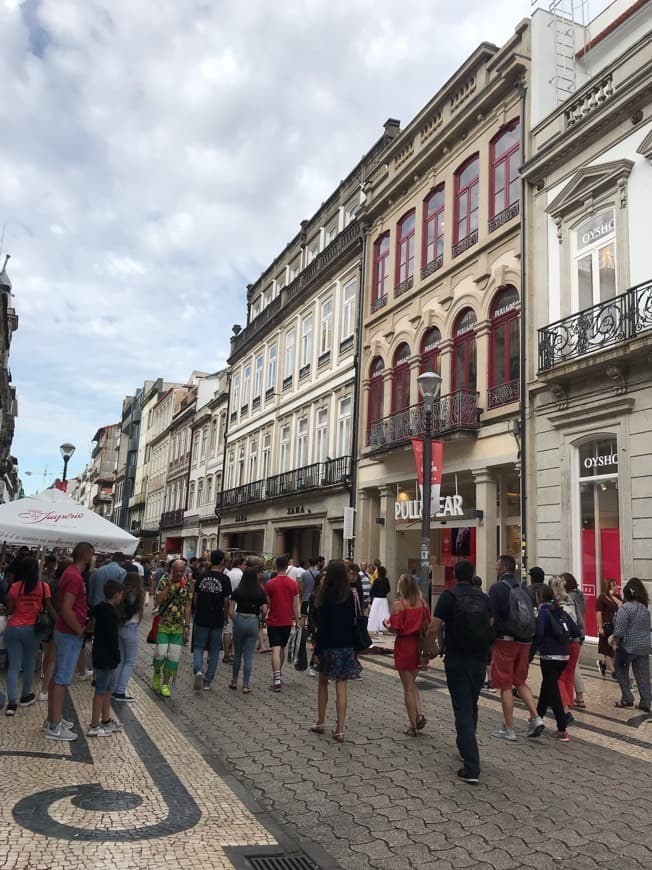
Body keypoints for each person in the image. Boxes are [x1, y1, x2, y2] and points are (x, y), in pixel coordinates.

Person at [427, 559, 493, 783]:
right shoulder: (484, 598)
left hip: (457, 659)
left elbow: (434, 626)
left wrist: (428, 648)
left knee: (462, 708)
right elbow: (491, 625)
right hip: (480, 660)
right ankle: (466, 746)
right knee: (471, 703)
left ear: (454, 574)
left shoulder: (449, 596)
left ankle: (471, 766)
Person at [488, 555, 544, 741]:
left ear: (503, 567)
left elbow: (492, 617)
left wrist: (488, 639)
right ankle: (535, 717)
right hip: (525, 641)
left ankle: (509, 728)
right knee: (519, 681)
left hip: (505, 641)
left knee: (505, 684)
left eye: (497, 565)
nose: (496, 568)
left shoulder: (497, 588)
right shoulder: (526, 589)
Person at [46, 542, 95, 741]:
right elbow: (66, 608)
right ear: (87, 556)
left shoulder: (69, 574)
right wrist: (79, 629)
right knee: (62, 679)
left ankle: (53, 717)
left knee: (58, 676)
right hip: (69, 633)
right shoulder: (74, 577)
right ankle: (53, 726)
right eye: (93, 556)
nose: (94, 560)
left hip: (63, 631)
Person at [310, 560, 361, 742]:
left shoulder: (325, 595)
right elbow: (355, 621)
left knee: (323, 683)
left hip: (328, 646)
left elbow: (322, 627)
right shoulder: (350, 595)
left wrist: (317, 650)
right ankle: (340, 729)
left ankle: (321, 722)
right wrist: (355, 648)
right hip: (346, 645)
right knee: (342, 685)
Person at [5, 557, 56, 716]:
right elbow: (49, 608)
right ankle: (25, 696)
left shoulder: (14, 587)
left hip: (13, 628)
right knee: (28, 664)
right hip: (32, 630)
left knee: (13, 667)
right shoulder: (43, 587)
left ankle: (11, 704)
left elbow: (10, 610)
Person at [384, 573, 431, 736]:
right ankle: (419, 714)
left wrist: (386, 624)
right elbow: (428, 623)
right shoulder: (422, 604)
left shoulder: (399, 605)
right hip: (419, 646)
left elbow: (395, 628)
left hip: (404, 645)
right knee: (413, 683)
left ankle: (413, 725)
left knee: (408, 688)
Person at [534, 585, 579, 741]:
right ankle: (537, 717)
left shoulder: (543, 612)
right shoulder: (562, 611)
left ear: (539, 597)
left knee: (553, 691)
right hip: (563, 656)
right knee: (547, 687)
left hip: (548, 656)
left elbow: (539, 632)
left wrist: (538, 647)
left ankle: (562, 726)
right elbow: (576, 631)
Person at [192, 549, 232, 691]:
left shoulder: (202, 576)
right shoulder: (224, 579)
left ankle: (198, 670)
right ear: (222, 561)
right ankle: (207, 681)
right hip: (217, 618)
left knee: (198, 646)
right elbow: (226, 601)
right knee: (214, 650)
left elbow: (195, 597)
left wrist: (197, 610)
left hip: (201, 616)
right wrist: (226, 615)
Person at [152, 559, 193, 698]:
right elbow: (157, 601)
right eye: (176, 571)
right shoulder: (164, 581)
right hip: (163, 624)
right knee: (160, 653)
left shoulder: (187, 584)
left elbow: (188, 606)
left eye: (182, 571)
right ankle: (157, 672)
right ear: (171, 569)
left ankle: (165, 683)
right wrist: (168, 587)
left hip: (178, 626)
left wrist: (187, 625)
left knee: (173, 657)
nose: (179, 573)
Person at [89, 579, 124, 736]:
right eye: (121, 595)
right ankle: (94, 725)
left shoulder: (99, 609)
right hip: (106, 657)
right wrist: (117, 655)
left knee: (108, 688)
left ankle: (106, 719)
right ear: (116, 595)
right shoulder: (112, 614)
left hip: (99, 653)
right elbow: (113, 638)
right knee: (101, 690)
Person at [611, 577, 651, 712]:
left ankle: (627, 698)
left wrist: (614, 640)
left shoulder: (625, 609)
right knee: (643, 675)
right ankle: (646, 701)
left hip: (627, 647)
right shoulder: (644, 609)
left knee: (620, 670)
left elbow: (619, 630)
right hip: (644, 646)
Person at [230, 567, 268, 692]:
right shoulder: (260, 591)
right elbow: (264, 609)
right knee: (248, 656)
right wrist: (261, 618)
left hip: (240, 619)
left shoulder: (238, 591)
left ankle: (234, 681)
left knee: (237, 655)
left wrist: (236, 620)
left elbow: (230, 611)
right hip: (253, 621)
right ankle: (246, 685)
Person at [265, 555, 300, 692]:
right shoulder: (293, 584)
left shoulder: (270, 584)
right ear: (287, 567)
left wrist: (264, 615)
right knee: (282, 649)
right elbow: (296, 604)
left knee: (275, 649)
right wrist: (297, 620)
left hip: (274, 620)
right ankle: (279, 675)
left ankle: (276, 679)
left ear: (275, 566)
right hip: (287, 621)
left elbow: (267, 603)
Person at [550, 575, 582, 725]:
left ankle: (565, 709)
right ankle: (569, 704)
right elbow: (580, 623)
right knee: (569, 675)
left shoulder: (554, 604)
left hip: (563, 643)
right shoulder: (572, 601)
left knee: (559, 677)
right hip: (576, 642)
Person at [112, 571, 145, 702]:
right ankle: (120, 691)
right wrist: (127, 618)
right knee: (130, 661)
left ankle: (114, 689)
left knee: (121, 659)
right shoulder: (135, 593)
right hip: (129, 627)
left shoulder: (121, 592)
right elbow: (131, 610)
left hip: (119, 627)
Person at [562, 572, 586, 708]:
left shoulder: (569, 598)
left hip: (572, 633)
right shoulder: (580, 596)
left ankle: (577, 696)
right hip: (579, 632)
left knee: (572, 667)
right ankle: (575, 696)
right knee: (574, 665)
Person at [38, 555, 59, 702]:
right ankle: (44, 691)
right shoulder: (53, 583)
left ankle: (44, 675)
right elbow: (50, 605)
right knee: (52, 658)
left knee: (46, 653)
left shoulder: (42, 579)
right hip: (52, 622)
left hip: (43, 621)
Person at [596, 578, 622, 677]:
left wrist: (612, 595)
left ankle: (602, 664)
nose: (616, 587)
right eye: (613, 585)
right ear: (608, 587)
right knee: (606, 649)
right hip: (606, 626)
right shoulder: (601, 598)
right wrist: (600, 627)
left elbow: (620, 605)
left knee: (614, 649)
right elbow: (598, 613)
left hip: (616, 626)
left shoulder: (617, 597)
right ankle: (614, 672)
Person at [367, 566, 390, 634]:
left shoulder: (376, 580)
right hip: (384, 598)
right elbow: (388, 589)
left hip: (377, 599)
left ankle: (373, 627)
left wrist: (371, 597)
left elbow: (373, 590)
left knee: (375, 613)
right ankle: (383, 627)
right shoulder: (386, 580)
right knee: (384, 613)